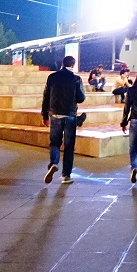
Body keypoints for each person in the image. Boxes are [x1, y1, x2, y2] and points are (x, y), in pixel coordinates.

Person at [41, 56, 86, 185]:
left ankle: (54, 163)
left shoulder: (52, 77)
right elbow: (81, 98)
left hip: (54, 114)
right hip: (70, 115)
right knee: (69, 146)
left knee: (54, 143)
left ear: (62, 64)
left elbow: (46, 96)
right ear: (73, 65)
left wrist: (44, 115)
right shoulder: (76, 79)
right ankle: (66, 176)